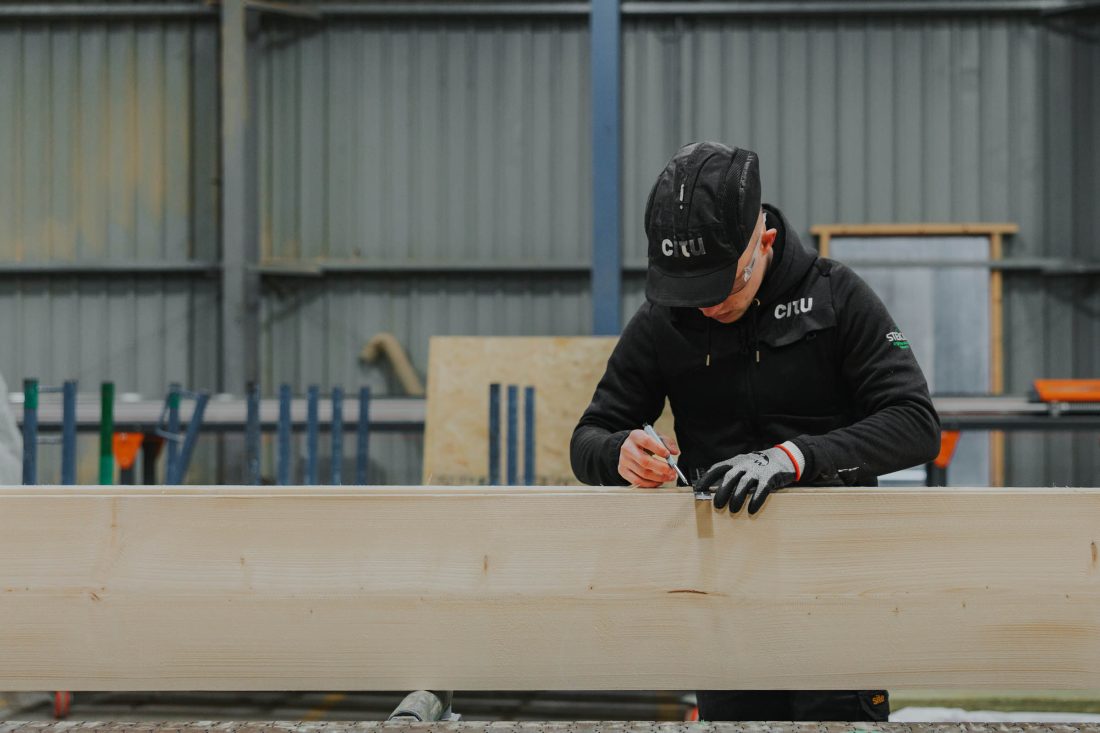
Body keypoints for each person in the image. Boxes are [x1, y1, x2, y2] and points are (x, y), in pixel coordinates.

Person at [570, 141, 940, 722]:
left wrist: (795, 458)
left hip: (835, 587)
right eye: (690, 293)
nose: (705, 308)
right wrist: (619, 453)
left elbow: (915, 422)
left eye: (721, 288)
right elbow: (589, 436)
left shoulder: (835, 297)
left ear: (763, 241)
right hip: (724, 595)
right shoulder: (665, 320)